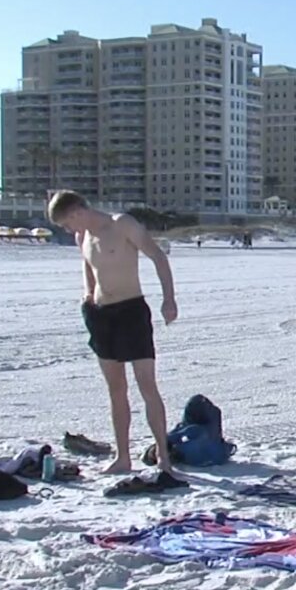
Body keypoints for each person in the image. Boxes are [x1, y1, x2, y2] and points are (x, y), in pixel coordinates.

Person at [47, 190, 178, 475]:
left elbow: (158, 257)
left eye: (67, 223)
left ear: (77, 212)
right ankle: (123, 457)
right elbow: (88, 265)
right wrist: (87, 294)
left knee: (147, 386)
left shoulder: (122, 225)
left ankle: (163, 457)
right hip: (101, 317)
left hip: (131, 311)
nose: (69, 230)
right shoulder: (82, 237)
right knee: (116, 390)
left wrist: (169, 299)